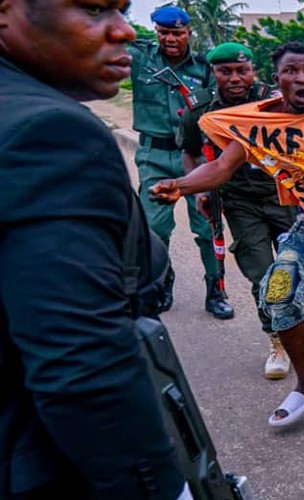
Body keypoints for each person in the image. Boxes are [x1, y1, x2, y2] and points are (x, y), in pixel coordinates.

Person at [150, 42, 304, 429]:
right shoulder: (257, 122)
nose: (302, 78)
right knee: (277, 294)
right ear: (277, 78)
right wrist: (180, 186)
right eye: (292, 71)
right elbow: (221, 168)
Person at [0, 0, 189, 498]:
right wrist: (164, 489)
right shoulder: (48, 132)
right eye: (94, 9)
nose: (124, 31)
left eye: (122, 11)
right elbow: (81, 363)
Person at [177, 42, 295, 380]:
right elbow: (189, 153)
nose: (234, 78)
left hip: (283, 196)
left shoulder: (274, 101)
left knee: (293, 270)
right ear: (213, 73)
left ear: (253, 71)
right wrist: (199, 188)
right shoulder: (200, 108)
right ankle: (278, 340)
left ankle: (292, 317)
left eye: (242, 71)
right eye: (225, 71)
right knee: (263, 275)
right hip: (238, 201)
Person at [128, 5, 234, 319]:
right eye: (164, 33)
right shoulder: (141, 59)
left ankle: (216, 289)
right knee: (154, 228)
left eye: (177, 33)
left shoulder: (204, 67)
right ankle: (162, 280)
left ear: (188, 32)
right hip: (155, 156)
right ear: (156, 32)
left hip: (198, 156)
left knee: (208, 225)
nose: (170, 39)